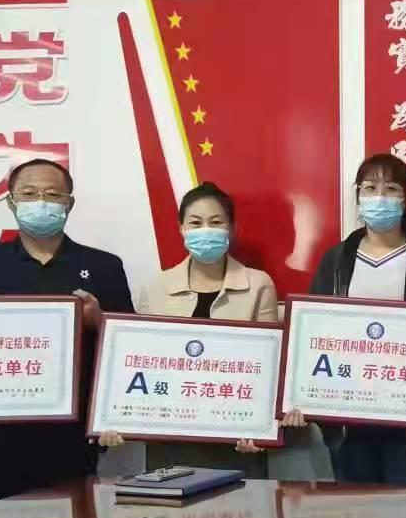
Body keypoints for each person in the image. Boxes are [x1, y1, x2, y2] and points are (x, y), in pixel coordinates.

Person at [0, 158, 133, 503]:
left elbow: (127, 350)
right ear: (11, 202)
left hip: (72, 435)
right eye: (29, 194)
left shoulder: (104, 266)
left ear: (69, 203)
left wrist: (98, 320)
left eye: (53, 194)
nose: (41, 202)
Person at [285, 154, 406, 484]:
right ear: (358, 196)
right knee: (356, 511)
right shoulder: (336, 260)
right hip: (349, 421)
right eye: (369, 188)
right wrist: (298, 397)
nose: (379, 198)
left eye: (391, 189)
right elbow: (311, 336)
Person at [99, 182, 279, 474]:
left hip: (236, 433)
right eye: (195, 223)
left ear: (231, 229)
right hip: (170, 434)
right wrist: (113, 418)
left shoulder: (258, 283)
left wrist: (263, 427)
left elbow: (270, 366)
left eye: (216, 222)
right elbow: (140, 363)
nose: (205, 230)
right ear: (181, 228)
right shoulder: (157, 286)